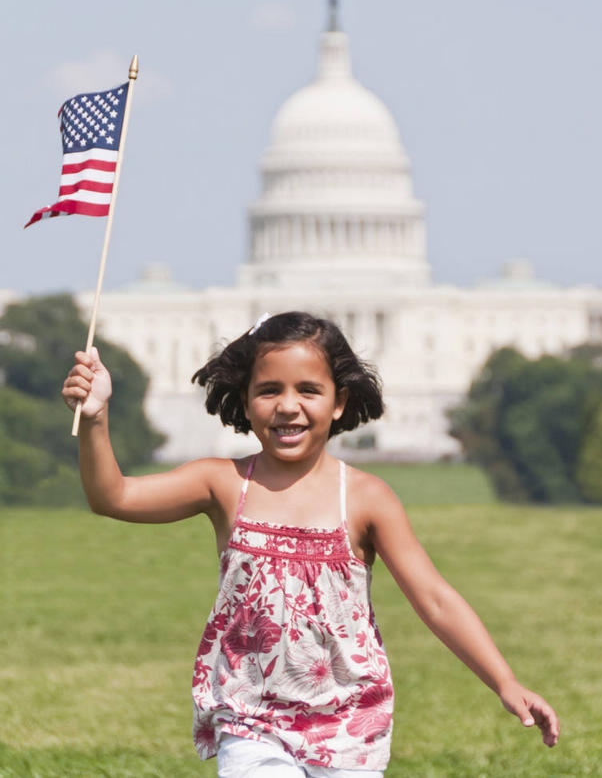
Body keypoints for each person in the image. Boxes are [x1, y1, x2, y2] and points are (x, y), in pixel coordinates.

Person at [62, 311, 559, 777]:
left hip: (349, 719)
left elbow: (434, 598)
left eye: (308, 390)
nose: (287, 406)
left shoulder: (367, 498)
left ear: (339, 401)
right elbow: (115, 497)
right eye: (269, 390)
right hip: (250, 714)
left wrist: (504, 681)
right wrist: (96, 418)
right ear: (245, 397)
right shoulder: (223, 483)